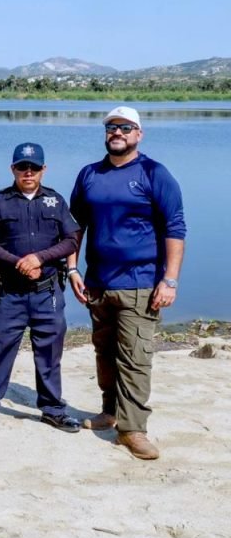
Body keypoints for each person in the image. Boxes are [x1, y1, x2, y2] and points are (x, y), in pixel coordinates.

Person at [68, 106, 186, 459]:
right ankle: (110, 411)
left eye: (125, 127)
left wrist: (170, 281)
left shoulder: (154, 173)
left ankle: (133, 429)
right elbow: (75, 227)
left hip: (141, 284)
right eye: (111, 127)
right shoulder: (90, 174)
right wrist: (72, 269)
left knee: (135, 358)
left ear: (139, 134)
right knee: (104, 353)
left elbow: (175, 230)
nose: (117, 132)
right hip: (97, 283)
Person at [0, 143, 82, 432]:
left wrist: (39, 258)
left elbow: (71, 240)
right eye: (22, 167)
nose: (28, 173)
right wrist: (18, 262)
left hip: (47, 293)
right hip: (8, 293)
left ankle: (53, 409)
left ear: (44, 169)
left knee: (50, 354)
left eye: (34, 167)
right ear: (13, 169)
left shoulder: (55, 202)